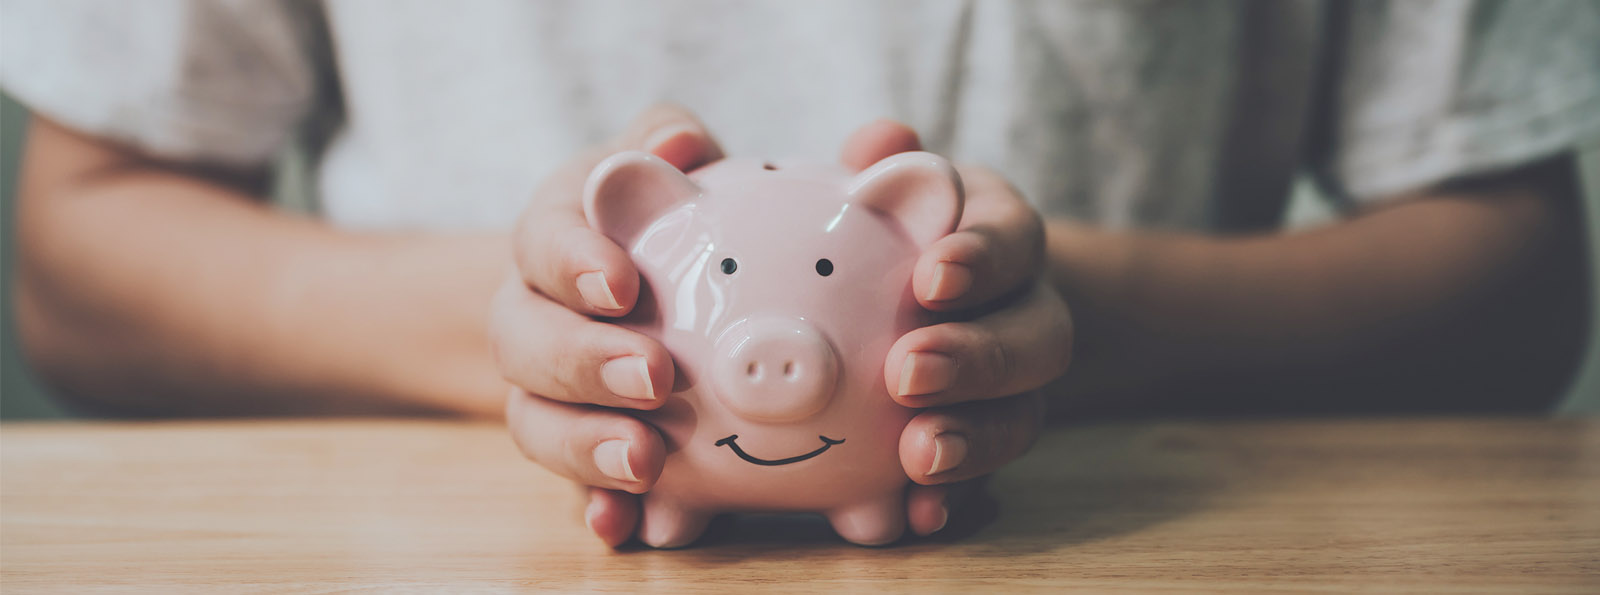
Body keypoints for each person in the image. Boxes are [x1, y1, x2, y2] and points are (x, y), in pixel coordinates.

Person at [2, 0, 1594, 546]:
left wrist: (1062, 321)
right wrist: (535, 331)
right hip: (455, 541)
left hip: (1129, 528)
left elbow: (1512, 273)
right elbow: (84, 257)